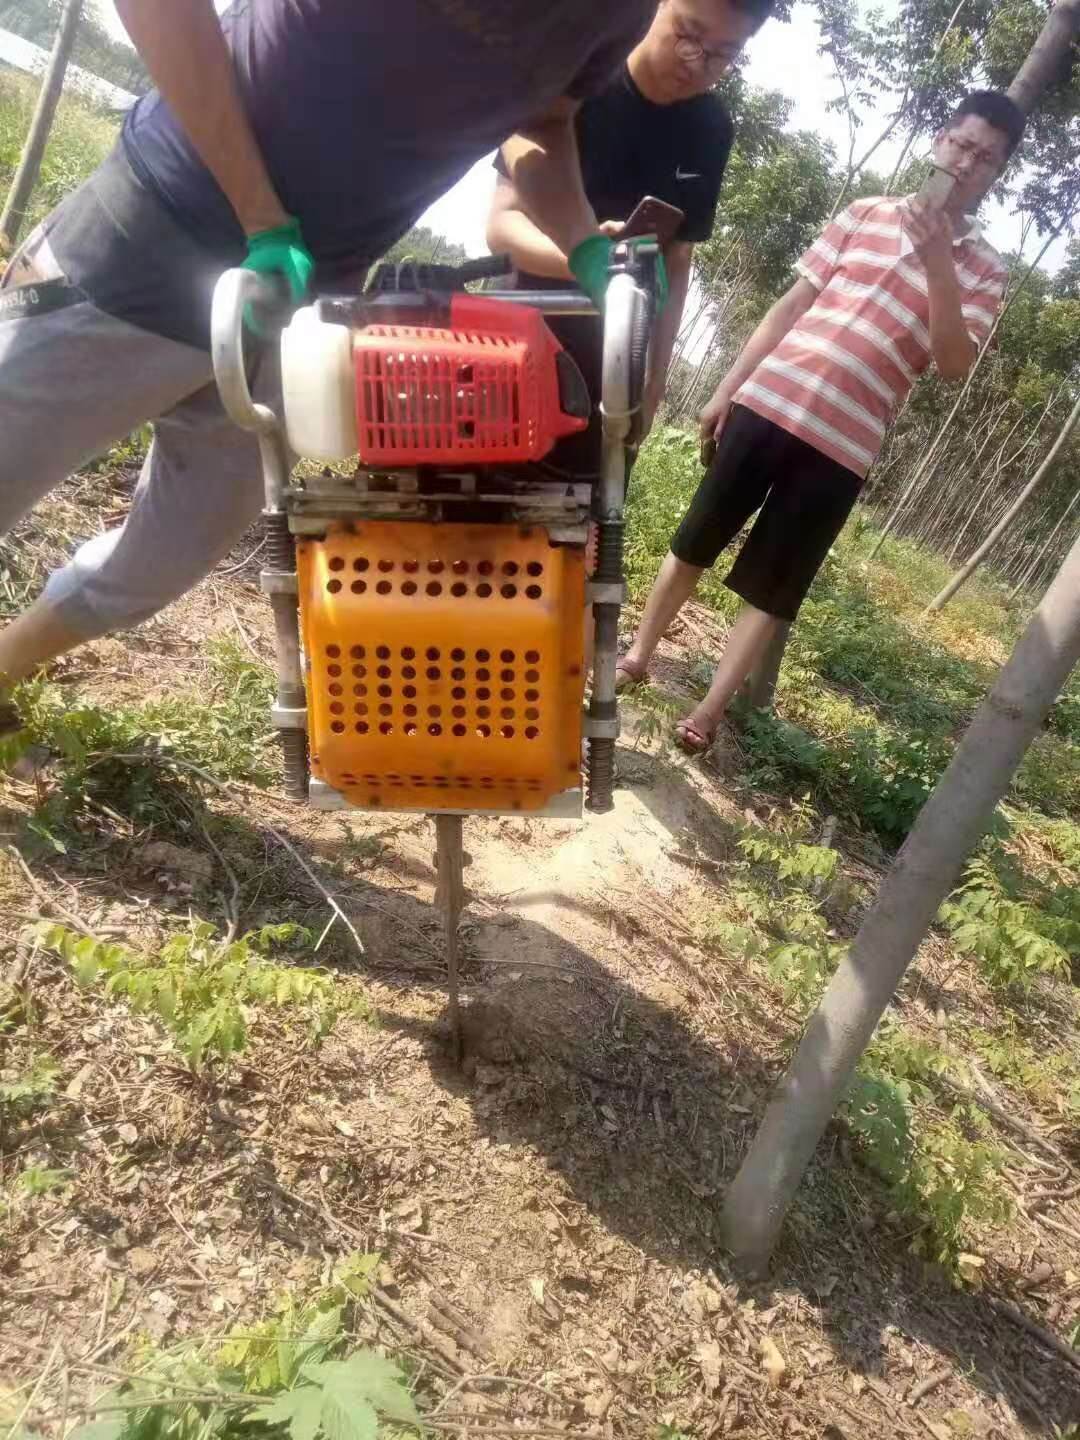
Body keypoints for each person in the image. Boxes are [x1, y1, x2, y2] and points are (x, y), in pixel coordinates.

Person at [0, 0, 666, 732]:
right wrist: (261, 216)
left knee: (160, 563)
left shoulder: (618, 10)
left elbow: (543, 123)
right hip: (152, 237)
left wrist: (583, 245)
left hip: (304, 304)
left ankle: (5, 664)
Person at [616, 90, 1022, 751]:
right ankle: (637, 655)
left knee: (773, 587)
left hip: (845, 445)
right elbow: (788, 309)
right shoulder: (864, 214)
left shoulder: (985, 271)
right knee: (696, 537)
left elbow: (953, 363)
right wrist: (727, 388)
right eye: (962, 144)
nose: (967, 162)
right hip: (770, 399)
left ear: (995, 175)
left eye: (985, 158)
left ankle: (708, 714)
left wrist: (940, 263)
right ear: (940, 140)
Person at [487, 0, 774, 461]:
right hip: (516, 337)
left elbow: (677, 261)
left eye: (722, 53)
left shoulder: (711, 130)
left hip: (611, 371)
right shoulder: (579, 77)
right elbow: (502, 227)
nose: (695, 61)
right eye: (687, 33)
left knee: (577, 519)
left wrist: (654, 384)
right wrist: (594, 262)